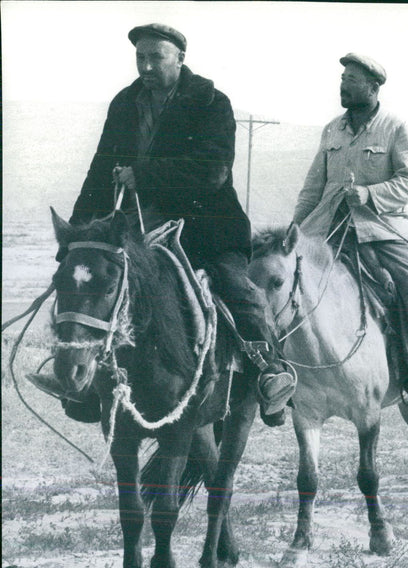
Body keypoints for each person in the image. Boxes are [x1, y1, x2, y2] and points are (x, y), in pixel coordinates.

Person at [30, 23, 293, 426]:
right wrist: (76, 240)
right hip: (138, 232)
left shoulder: (211, 102)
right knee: (94, 290)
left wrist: (145, 174)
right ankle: (79, 378)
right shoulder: (124, 103)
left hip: (206, 227)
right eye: (141, 58)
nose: (147, 66)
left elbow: (214, 172)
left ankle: (269, 372)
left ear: (180, 59)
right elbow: (100, 171)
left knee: (237, 287)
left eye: (156, 57)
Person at [293, 52, 408, 409]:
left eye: (351, 81)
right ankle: (283, 374)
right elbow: (314, 186)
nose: (343, 86)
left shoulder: (396, 127)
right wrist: (295, 229)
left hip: (383, 228)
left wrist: (370, 194)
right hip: (329, 229)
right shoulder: (332, 130)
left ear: (372, 88)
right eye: (342, 80)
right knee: (287, 283)